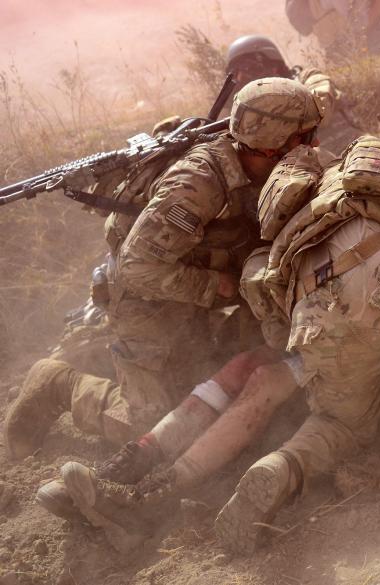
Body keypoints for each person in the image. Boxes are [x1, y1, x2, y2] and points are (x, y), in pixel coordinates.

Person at [49, 136, 380, 556]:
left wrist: (295, 344)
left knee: (254, 370)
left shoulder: (328, 188)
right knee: (342, 422)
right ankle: (274, 470)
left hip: (304, 303)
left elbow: (266, 273)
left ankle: (127, 476)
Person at [5, 78, 326, 459]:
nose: (315, 145)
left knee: (208, 387)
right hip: (147, 296)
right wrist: (218, 286)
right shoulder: (196, 187)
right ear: (277, 142)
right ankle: (58, 381)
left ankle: (129, 361)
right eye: (307, 136)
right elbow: (136, 268)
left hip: (192, 283)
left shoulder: (259, 164)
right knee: (150, 422)